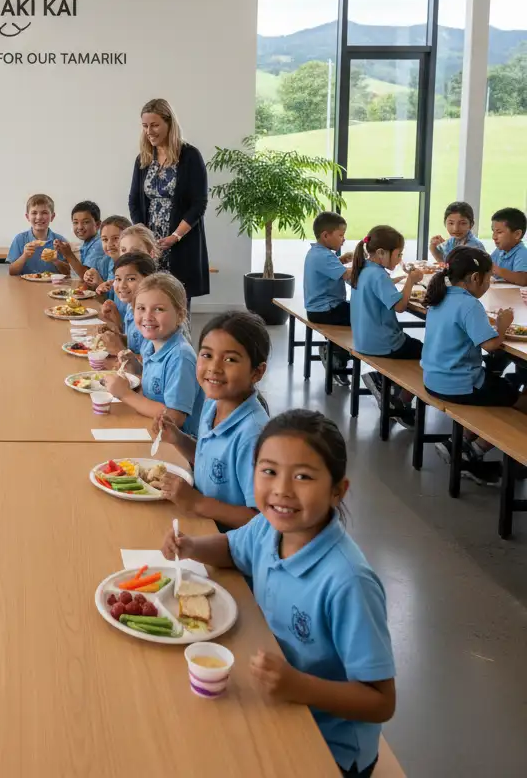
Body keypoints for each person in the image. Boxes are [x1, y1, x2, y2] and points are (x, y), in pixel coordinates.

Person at [163, 410, 395, 778]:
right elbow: (231, 549)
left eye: (303, 476)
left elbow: (381, 702)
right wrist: (191, 546)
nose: (282, 489)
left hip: (329, 744)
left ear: (338, 490)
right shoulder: (268, 529)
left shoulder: (348, 582)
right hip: (273, 693)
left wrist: (298, 686)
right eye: (268, 471)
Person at [149, 311, 269, 531]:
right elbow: (210, 461)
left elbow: (262, 521)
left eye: (230, 359)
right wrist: (178, 439)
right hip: (200, 523)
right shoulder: (214, 403)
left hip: (232, 548)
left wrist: (196, 501)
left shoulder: (253, 434)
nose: (214, 367)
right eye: (206, 355)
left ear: (257, 372)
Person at [423, 247, 527, 484]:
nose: (489, 282)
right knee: (522, 401)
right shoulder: (469, 305)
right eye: (489, 278)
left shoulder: (440, 295)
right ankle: (475, 451)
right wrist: (502, 325)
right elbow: (491, 345)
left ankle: (460, 444)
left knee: (506, 385)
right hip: (460, 385)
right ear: (475, 278)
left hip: (434, 378)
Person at [128, 98, 210, 305]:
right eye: (145, 126)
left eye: (155, 125)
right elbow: (134, 201)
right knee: (150, 304)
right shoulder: (144, 158)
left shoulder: (190, 156)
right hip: (151, 246)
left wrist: (175, 236)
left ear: (169, 124)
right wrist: (143, 236)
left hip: (181, 243)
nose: (149, 131)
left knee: (178, 306)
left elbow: (198, 204)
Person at [103, 273, 203, 436]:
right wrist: (136, 368)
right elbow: (158, 388)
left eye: (158, 309)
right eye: (141, 308)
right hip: (151, 429)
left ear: (180, 315)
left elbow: (175, 418)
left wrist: (125, 394)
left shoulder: (180, 357)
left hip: (176, 448)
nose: (147, 317)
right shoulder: (151, 345)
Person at [349, 226, 423, 426]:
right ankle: (398, 402)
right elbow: (400, 306)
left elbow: (379, 287)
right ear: (381, 253)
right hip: (384, 343)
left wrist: (395, 280)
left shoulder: (364, 268)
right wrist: (410, 280)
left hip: (362, 339)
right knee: (430, 355)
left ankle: (392, 393)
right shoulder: (379, 276)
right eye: (398, 254)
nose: (400, 259)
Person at [304, 211, 353, 385]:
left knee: (354, 312)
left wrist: (339, 260)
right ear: (326, 235)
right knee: (362, 315)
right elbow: (348, 276)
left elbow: (330, 270)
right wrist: (367, 266)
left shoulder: (318, 253)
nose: (343, 239)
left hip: (319, 309)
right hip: (326, 310)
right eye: (340, 235)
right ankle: (336, 359)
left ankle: (336, 354)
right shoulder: (323, 256)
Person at [98, 252, 157, 357]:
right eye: (118, 279)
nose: (122, 285)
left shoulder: (151, 318)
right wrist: (117, 336)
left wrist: (119, 350)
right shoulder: (131, 308)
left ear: (149, 279)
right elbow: (134, 344)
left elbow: (148, 366)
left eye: (131, 279)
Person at [7, 194, 70, 276]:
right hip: (25, 286)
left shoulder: (60, 241)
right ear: (27, 217)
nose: (39, 217)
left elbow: (67, 272)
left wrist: (55, 260)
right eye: (34, 213)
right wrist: (24, 256)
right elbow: (12, 272)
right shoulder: (19, 239)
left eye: (44, 213)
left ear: (52, 216)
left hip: (52, 286)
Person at [54, 201, 103, 281]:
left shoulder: (99, 244)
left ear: (97, 225)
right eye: (75, 222)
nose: (80, 227)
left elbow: (87, 278)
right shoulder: (87, 242)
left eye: (86, 222)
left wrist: (68, 254)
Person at [83, 216, 132, 292]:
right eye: (105, 239)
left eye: (116, 238)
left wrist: (100, 283)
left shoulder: (132, 267)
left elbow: (121, 300)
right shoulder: (106, 262)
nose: (109, 244)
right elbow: (102, 298)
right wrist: (90, 279)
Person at [490, 207, 527, 286]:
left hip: (513, 296)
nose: (494, 237)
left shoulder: (522, 253)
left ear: (517, 234)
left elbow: (522, 279)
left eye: (499, 232)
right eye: (493, 231)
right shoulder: (499, 250)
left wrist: (496, 270)